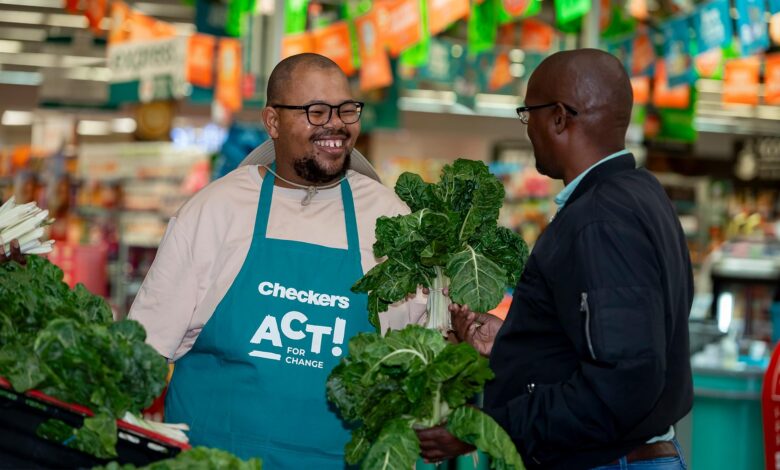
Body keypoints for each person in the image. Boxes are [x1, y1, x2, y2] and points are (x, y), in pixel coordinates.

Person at [128, 53, 426, 468]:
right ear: (272, 122)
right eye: (316, 111)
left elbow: (420, 350)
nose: (335, 124)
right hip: (214, 459)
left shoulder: (388, 219)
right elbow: (144, 349)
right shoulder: (217, 211)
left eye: (345, 109)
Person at [417, 49, 694, 470]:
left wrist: (484, 427)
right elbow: (610, 344)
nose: (528, 130)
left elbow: (622, 379)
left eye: (529, 114)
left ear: (560, 117)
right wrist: (516, 343)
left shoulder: (601, 219)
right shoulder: (640, 194)